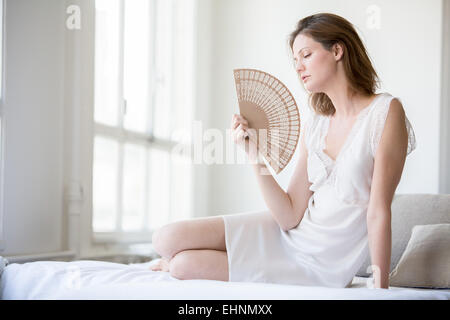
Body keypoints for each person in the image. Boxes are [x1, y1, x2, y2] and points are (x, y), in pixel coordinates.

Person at [150, 12, 416, 289]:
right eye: (296, 60)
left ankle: (185, 264)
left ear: (337, 50)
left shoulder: (385, 112)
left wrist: (380, 288)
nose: (299, 67)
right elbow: (289, 216)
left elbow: (378, 211)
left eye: (306, 55)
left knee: (182, 265)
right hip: (287, 236)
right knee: (165, 238)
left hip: (319, 268)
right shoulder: (317, 124)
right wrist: (253, 153)